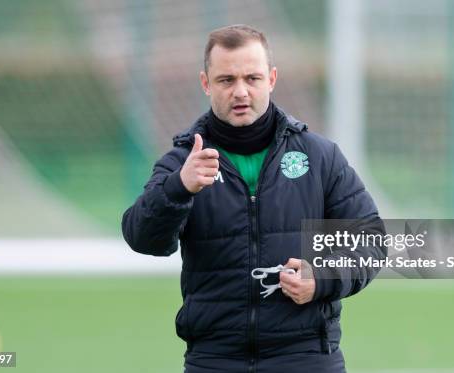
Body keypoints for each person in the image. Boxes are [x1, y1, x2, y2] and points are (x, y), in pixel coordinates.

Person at [122, 24, 386, 373]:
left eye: (252, 78)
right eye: (226, 80)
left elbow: (370, 240)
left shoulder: (320, 156)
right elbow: (142, 238)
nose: (241, 91)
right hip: (214, 359)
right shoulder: (183, 162)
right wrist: (179, 188)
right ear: (206, 83)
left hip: (307, 357)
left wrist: (320, 278)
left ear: (272, 79)